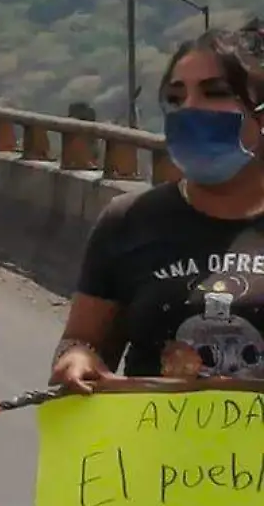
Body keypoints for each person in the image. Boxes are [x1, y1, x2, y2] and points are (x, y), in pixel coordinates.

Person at [51, 27, 264, 390]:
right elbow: (83, 342)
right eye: (176, 97)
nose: (190, 108)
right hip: (154, 442)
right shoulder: (128, 220)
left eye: (216, 93)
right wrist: (77, 359)